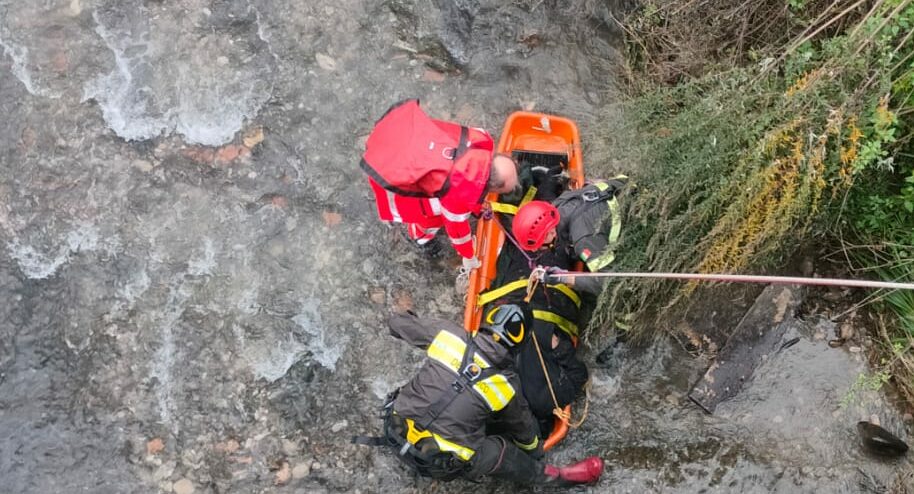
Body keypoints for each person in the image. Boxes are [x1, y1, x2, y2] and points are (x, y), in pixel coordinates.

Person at [355, 304, 604, 486]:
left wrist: (415, 321)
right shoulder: (506, 387)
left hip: (395, 431)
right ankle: (551, 478)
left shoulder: (448, 336)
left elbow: (396, 324)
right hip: (439, 463)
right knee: (501, 451)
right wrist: (536, 451)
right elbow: (525, 433)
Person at [362, 99, 519, 264]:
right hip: (399, 171)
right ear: (493, 187)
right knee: (428, 220)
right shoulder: (459, 198)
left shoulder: (481, 139)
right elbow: (457, 232)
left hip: (416, 144)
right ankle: (420, 238)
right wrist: (468, 256)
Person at [512, 177, 629, 294]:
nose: (537, 249)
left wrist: (564, 277)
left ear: (551, 233)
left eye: (538, 245)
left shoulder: (583, 239)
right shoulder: (561, 203)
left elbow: (612, 282)